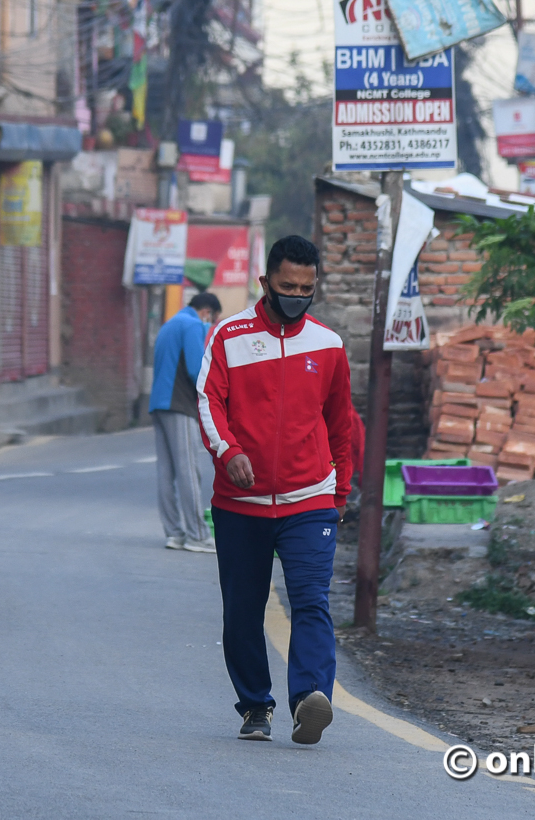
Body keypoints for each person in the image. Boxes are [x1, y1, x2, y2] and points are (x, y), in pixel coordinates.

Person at [197, 235, 353, 744]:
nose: (297, 296)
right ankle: (255, 705)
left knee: (311, 601)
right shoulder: (228, 337)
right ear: (265, 282)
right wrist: (229, 453)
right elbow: (208, 402)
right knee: (243, 611)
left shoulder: (328, 345)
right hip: (239, 504)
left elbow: (341, 424)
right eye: (288, 287)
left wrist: (340, 493)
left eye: (307, 289)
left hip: (310, 499)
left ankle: (309, 698)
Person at [150, 291, 222, 553]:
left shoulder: (169, 324)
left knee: (166, 472)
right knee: (188, 469)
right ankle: (197, 535)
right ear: (207, 313)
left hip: (159, 404)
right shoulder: (192, 325)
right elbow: (196, 369)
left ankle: (174, 533)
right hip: (179, 404)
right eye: (212, 320)